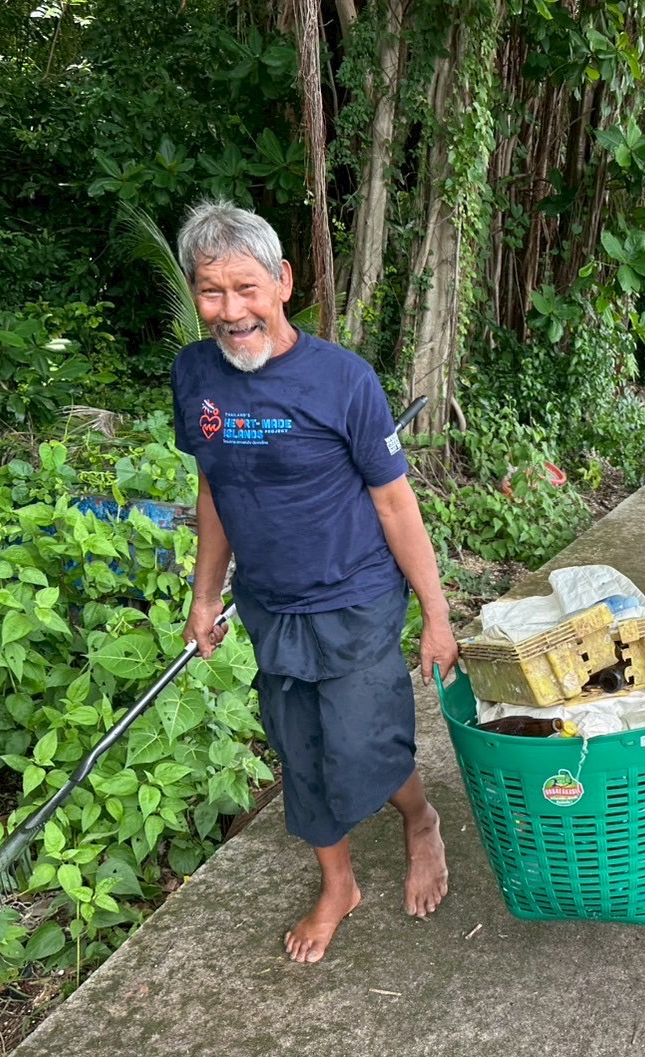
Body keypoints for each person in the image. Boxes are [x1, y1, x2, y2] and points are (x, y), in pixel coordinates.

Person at [170, 200, 459, 963]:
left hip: (356, 596)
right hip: (271, 603)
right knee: (300, 749)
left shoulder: (343, 381)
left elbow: (395, 503)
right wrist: (205, 596)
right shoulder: (195, 375)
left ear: (283, 283)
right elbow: (214, 490)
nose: (231, 312)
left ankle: (419, 817)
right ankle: (339, 883)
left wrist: (436, 613)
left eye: (245, 289)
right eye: (210, 292)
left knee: (364, 743)